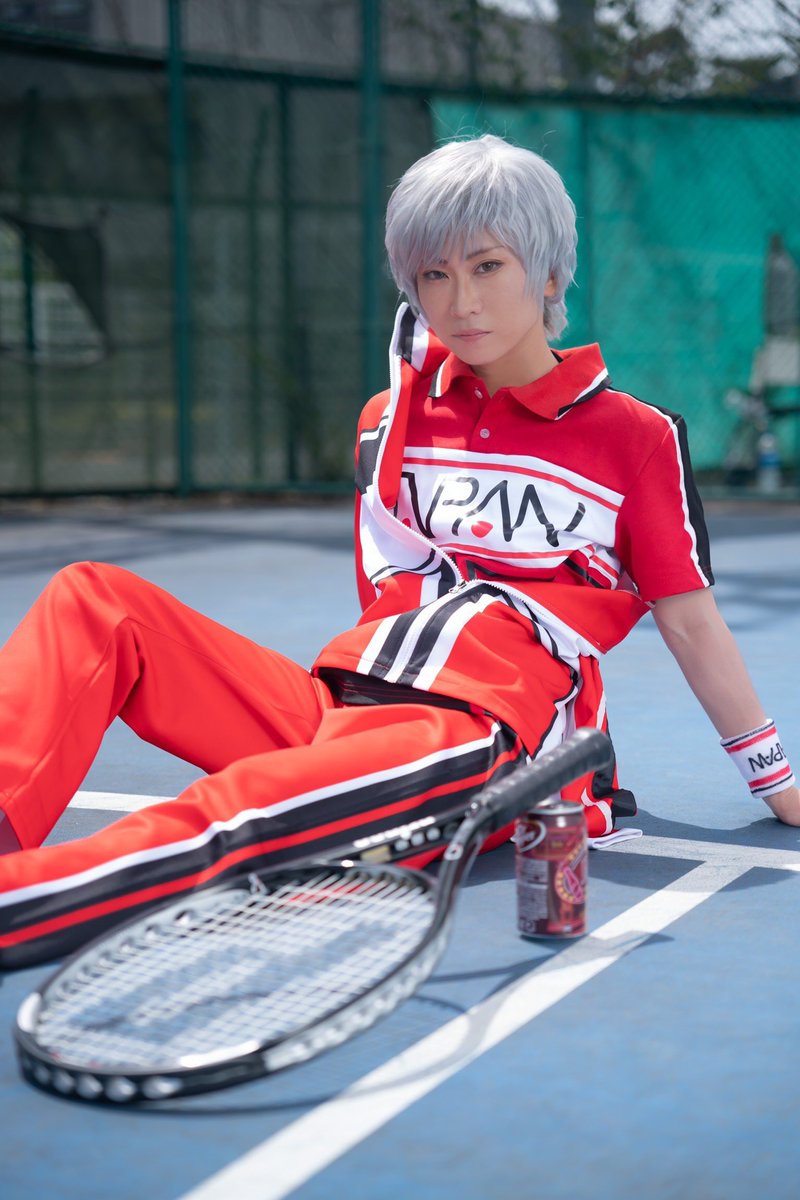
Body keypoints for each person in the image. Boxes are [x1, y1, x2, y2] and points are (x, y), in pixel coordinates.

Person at [0, 135, 796, 969]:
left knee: (244, 813)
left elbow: (691, 623)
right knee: (95, 601)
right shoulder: (388, 420)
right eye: (434, 274)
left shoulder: (634, 436)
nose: (461, 301)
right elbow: (384, 599)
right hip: (345, 706)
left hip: (481, 742)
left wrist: (775, 782)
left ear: (549, 273)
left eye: (488, 266)